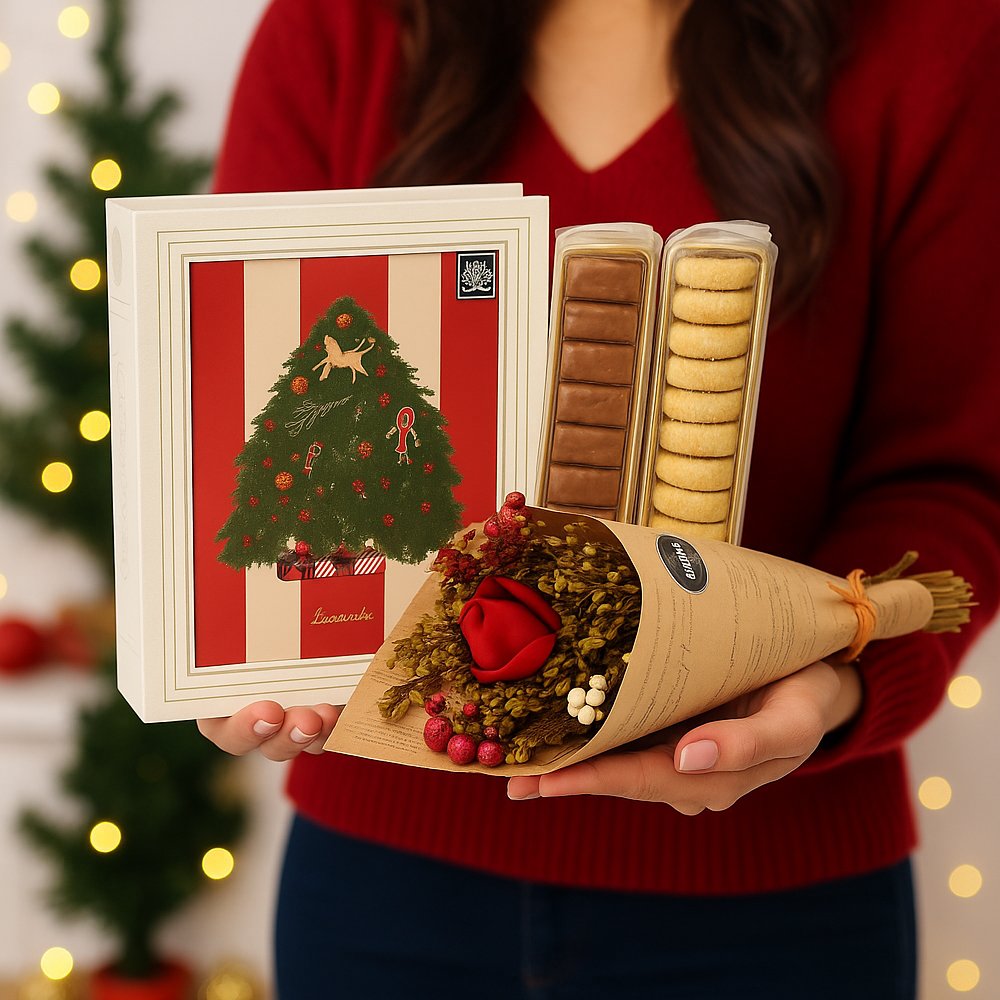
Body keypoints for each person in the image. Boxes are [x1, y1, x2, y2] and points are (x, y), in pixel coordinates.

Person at [199, 0, 1000, 996]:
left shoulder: (935, 39)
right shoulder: (344, 28)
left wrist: (833, 683)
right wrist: (242, 643)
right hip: (383, 888)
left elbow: (945, 480)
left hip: (774, 902)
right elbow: (253, 430)